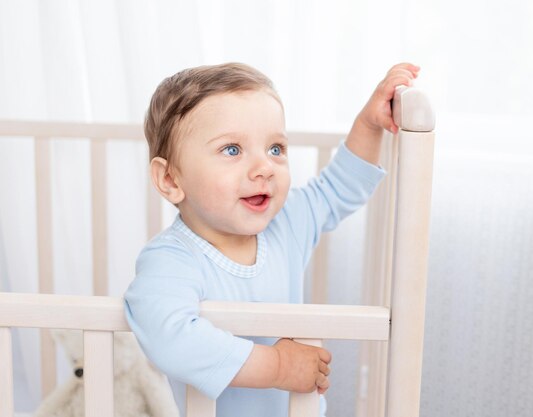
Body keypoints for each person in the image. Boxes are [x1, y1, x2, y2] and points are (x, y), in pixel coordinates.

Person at [124, 62, 419, 417]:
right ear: (170, 179)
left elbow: (340, 187)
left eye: (276, 148)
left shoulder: (286, 223)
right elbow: (170, 336)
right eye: (232, 150)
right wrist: (278, 366)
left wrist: (369, 124)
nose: (264, 167)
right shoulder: (171, 260)